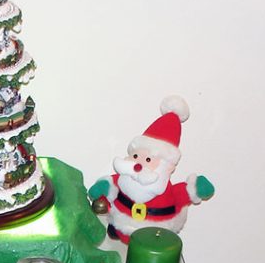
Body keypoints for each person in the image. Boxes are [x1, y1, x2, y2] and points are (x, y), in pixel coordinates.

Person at [87, 95, 214, 243]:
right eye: (135, 156)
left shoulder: (164, 189)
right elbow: (111, 184)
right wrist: (103, 186)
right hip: (119, 223)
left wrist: (196, 188)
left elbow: (182, 194)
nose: (138, 165)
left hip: (153, 235)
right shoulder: (125, 178)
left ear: (167, 166)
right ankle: (117, 230)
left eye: (148, 160)